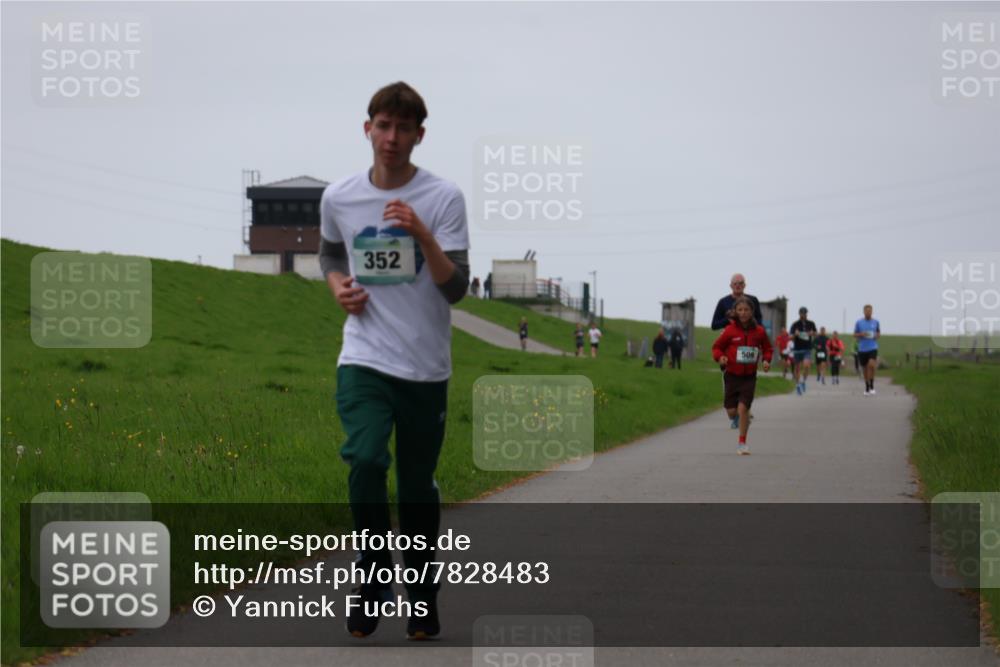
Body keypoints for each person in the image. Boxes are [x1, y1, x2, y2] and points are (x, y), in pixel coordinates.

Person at [318, 81, 469, 641]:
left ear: (419, 136)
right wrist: (338, 285)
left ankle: (422, 594)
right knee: (363, 458)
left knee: (415, 486)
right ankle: (374, 572)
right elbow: (331, 251)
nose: (392, 138)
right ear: (368, 129)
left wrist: (423, 233)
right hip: (363, 355)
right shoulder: (340, 196)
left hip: (425, 367)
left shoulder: (444, 197)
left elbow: (456, 289)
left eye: (404, 128)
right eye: (383, 126)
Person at [711, 296, 773, 455]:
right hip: (731, 375)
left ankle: (742, 443)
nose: (743, 313)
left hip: (749, 377)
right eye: (740, 310)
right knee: (732, 412)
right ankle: (739, 418)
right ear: (735, 312)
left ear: (752, 312)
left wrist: (766, 361)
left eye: (746, 310)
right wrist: (720, 357)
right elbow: (716, 347)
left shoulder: (759, 331)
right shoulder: (730, 331)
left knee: (743, 409)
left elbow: (767, 348)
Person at [854, 304, 881, 396]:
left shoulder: (876, 322)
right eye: (867, 311)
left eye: (870, 311)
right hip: (862, 349)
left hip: (873, 347)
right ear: (864, 312)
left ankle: (872, 385)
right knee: (865, 369)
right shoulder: (859, 322)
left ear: (872, 312)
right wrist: (861, 334)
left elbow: (878, 334)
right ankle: (867, 387)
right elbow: (854, 334)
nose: (868, 312)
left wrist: (876, 335)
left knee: (871, 365)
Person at [789, 307, 817, 395]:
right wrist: (795, 334)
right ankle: (797, 385)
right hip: (797, 349)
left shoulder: (811, 324)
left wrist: (812, 333)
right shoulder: (795, 324)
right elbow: (790, 337)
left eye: (805, 313)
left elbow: (816, 334)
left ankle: (803, 381)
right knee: (797, 368)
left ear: (806, 314)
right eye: (802, 313)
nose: (803, 315)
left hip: (807, 349)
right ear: (799, 314)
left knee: (806, 366)